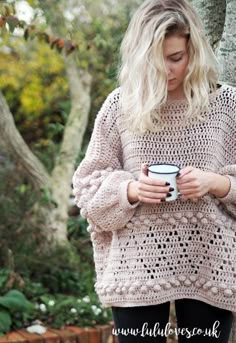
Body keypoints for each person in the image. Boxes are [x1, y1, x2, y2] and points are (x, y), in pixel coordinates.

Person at [72, 0, 236, 342]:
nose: (166, 70)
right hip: (136, 264)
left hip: (210, 260)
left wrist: (217, 183)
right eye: (155, 59)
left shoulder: (226, 105)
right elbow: (87, 186)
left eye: (176, 57)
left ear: (196, 50)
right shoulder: (121, 105)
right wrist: (130, 191)